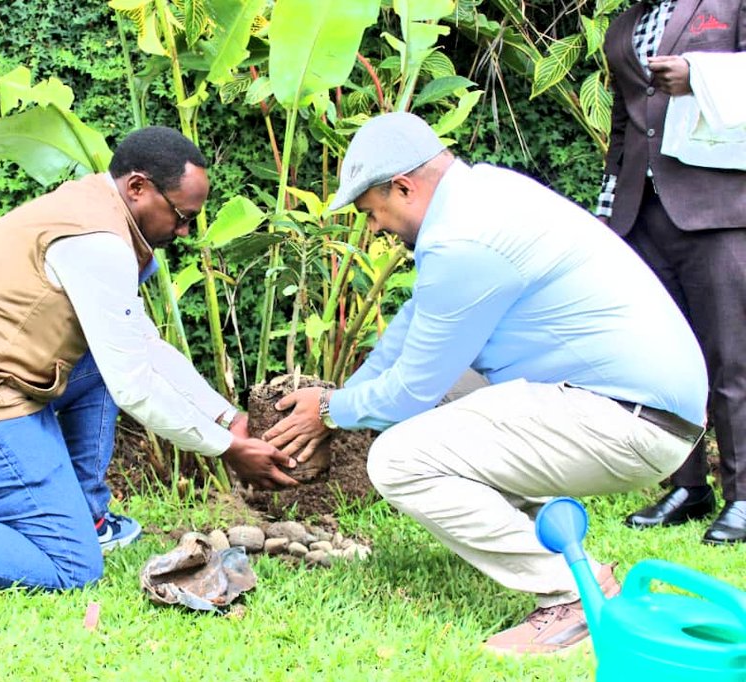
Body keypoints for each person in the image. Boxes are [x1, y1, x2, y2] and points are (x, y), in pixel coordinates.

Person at [263, 112, 707, 654]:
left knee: (399, 459)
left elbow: (408, 393)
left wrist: (330, 412)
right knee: (443, 403)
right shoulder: (483, 195)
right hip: (629, 407)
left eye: (372, 213)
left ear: (403, 187)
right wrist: (340, 399)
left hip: (628, 422)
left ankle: (572, 594)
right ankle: (561, 554)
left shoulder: (464, 243)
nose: (374, 228)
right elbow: (412, 332)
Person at [0, 126, 297, 598]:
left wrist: (227, 417)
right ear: (137, 187)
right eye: (181, 215)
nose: (185, 230)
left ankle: (86, 516)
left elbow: (142, 346)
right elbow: (134, 386)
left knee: (105, 358)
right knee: (70, 565)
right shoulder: (97, 241)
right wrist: (225, 449)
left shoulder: (101, 210)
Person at [598, 0, 746, 543]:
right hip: (640, 214)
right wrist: (608, 214)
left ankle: (745, 495)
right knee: (661, 360)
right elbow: (623, 129)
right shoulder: (623, 27)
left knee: (733, 360)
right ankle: (687, 485)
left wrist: (701, 76)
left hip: (720, 210)